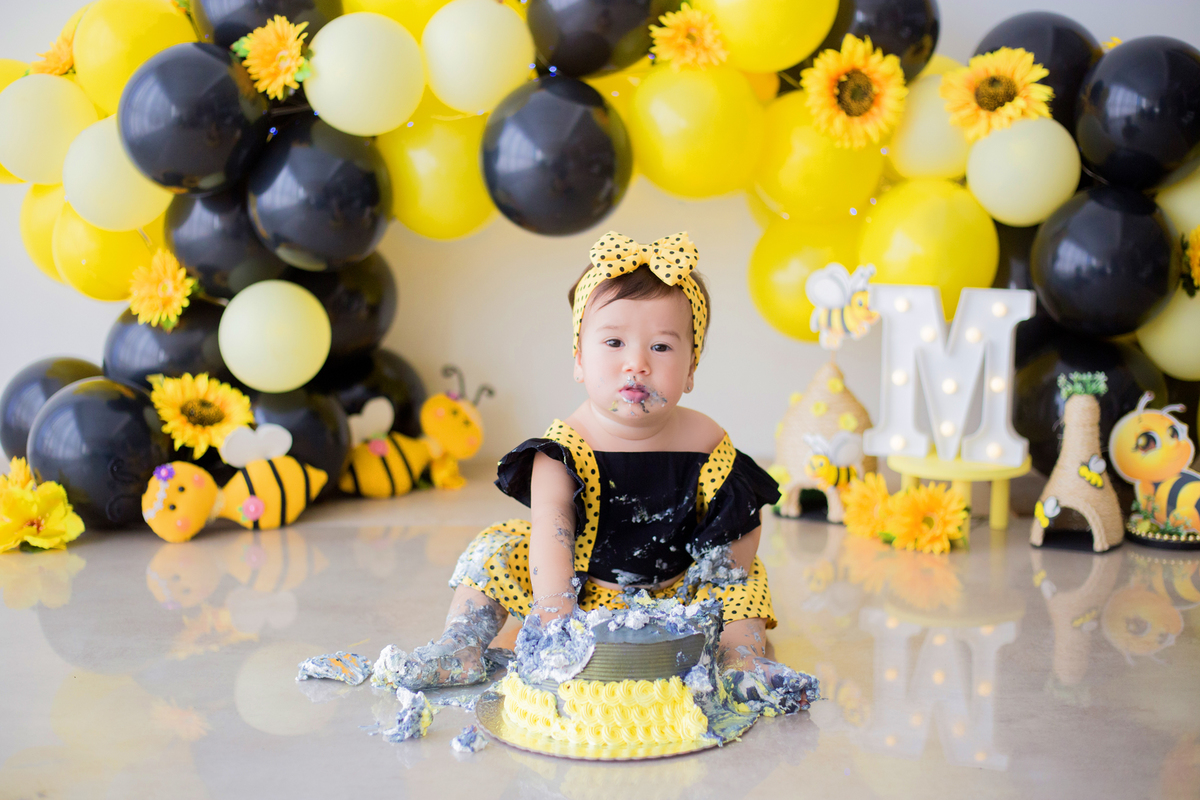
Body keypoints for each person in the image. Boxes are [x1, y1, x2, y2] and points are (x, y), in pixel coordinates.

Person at [383, 231, 815, 710]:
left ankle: (742, 659)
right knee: (498, 548)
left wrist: (719, 576)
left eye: (662, 348)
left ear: (691, 368)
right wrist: (554, 616)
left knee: (748, 580)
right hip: (578, 592)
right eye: (613, 342)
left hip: (677, 596)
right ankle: (461, 643)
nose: (637, 364)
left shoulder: (706, 442)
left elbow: (739, 524)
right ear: (580, 361)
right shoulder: (564, 447)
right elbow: (553, 528)